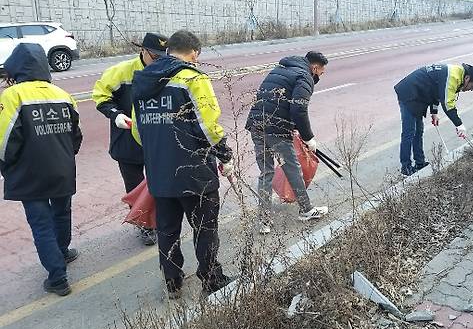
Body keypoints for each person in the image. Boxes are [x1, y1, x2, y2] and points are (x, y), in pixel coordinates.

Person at [131, 30, 233, 298]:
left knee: (166, 230)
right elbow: (208, 126)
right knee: (204, 228)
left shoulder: (141, 81)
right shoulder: (192, 78)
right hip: (194, 172)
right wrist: (224, 155)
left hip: (159, 173)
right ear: (194, 53)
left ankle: (172, 281)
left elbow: (137, 133)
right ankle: (211, 279)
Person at [0, 43, 83, 296]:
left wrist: (7, 168)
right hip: (62, 168)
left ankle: (57, 278)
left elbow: (4, 143)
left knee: (41, 224)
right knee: (61, 213)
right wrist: (65, 158)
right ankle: (63, 251)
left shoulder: (12, 97)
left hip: (30, 173)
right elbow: (76, 136)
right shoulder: (62, 94)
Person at [92, 32, 168, 245]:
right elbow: (100, 96)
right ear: (143, 51)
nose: (159, 61)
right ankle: (144, 224)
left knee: (160, 182)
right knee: (134, 185)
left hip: (158, 140)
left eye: (163, 57)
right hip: (127, 139)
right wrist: (115, 113)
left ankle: (162, 219)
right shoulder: (121, 72)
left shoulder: (168, 71)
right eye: (155, 56)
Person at [245, 51, 330, 234]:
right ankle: (306, 210)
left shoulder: (281, 69)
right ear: (315, 68)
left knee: (266, 173)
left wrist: (295, 128)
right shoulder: (304, 76)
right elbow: (299, 109)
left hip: (256, 125)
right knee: (293, 170)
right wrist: (308, 138)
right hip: (276, 130)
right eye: (321, 73)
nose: (319, 76)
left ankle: (264, 221)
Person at [394, 63, 473, 175]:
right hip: (409, 92)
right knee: (409, 132)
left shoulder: (458, 76)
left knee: (418, 131)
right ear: (467, 78)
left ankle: (420, 163)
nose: (471, 89)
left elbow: (438, 92)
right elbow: (447, 104)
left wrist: (434, 112)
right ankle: (406, 167)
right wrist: (459, 125)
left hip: (419, 95)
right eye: (472, 86)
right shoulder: (453, 76)